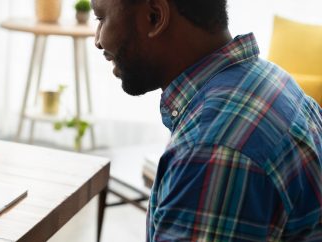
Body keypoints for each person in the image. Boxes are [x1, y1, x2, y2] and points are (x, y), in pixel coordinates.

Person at [91, 0, 322, 240]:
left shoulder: (210, 151)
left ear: (155, 17)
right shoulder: (271, 79)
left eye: (101, 19)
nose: (98, 40)